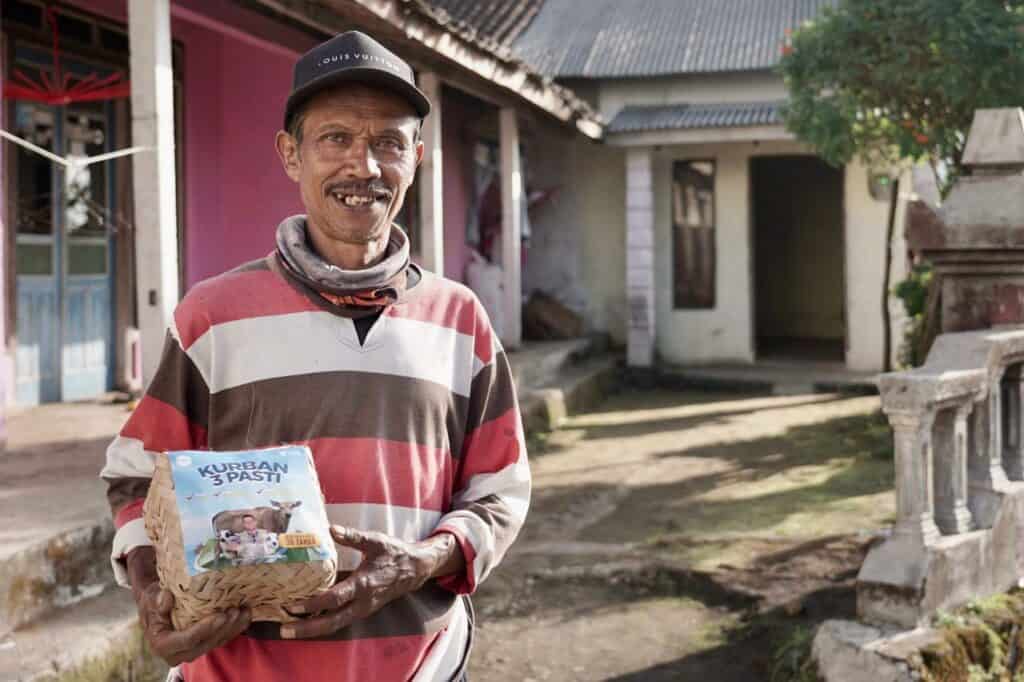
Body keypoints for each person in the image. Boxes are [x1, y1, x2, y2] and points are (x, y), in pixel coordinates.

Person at [100, 30, 530, 682]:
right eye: (336, 138)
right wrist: (151, 593)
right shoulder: (213, 316)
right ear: (291, 155)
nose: (364, 166)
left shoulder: (460, 318)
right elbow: (136, 477)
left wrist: (421, 562)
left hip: (424, 665)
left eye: (388, 142)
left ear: (416, 158)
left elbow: (499, 490)